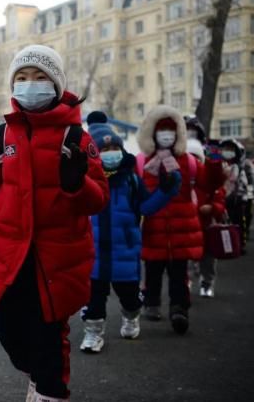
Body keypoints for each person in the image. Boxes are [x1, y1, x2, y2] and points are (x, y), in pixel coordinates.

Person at [0, 45, 109, 401]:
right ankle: (37, 374)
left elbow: (99, 199)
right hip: (9, 258)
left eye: (40, 77)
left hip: (57, 261)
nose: (30, 85)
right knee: (8, 330)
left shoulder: (78, 140)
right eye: (22, 78)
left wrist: (76, 184)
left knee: (50, 337)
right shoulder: (0, 138)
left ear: (56, 84)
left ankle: (50, 390)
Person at [79, 112, 179, 353]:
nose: (111, 152)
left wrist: (167, 188)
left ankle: (131, 316)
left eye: (115, 147)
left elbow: (146, 207)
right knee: (93, 301)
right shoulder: (84, 181)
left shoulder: (131, 181)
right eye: (104, 149)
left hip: (126, 254)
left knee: (131, 299)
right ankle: (93, 334)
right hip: (93, 257)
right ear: (93, 154)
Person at [136, 105, 223, 335]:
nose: (167, 135)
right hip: (154, 229)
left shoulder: (190, 162)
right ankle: (151, 304)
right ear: (152, 133)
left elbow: (210, 183)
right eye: (162, 130)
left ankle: (179, 310)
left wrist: (214, 162)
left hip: (182, 229)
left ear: (179, 133)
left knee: (179, 274)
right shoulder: (142, 162)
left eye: (171, 130)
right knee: (153, 271)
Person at [186, 138, 226, 298]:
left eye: (196, 157)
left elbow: (220, 199)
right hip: (187, 228)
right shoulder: (181, 179)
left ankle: (207, 283)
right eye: (189, 157)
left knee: (208, 260)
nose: (193, 161)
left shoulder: (208, 178)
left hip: (206, 227)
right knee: (185, 260)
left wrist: (212, 208)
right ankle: (185, 284)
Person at [220, 139, 254, 253]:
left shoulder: (241, 166)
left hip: (238, 200)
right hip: (222, 200)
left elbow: (247, 182)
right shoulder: (219, 165)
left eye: (231, 149)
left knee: (239, 224)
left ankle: (239, 246)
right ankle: (226, 246)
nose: (227, 152)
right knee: (223, 225)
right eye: (225, 149)